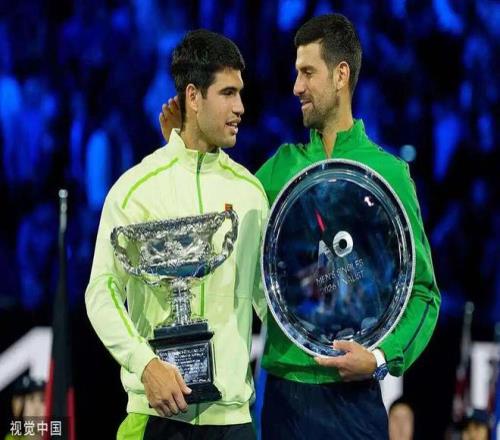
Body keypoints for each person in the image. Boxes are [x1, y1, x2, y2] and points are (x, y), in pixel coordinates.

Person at [160, 14, 440, 440]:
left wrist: (380, 357)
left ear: (341, 75)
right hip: (285, 398)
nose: (296, 87)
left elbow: (423, 293)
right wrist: (182, 150)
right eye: (296, 73)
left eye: (308, 72)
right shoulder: (280, 170)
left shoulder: (389, 175)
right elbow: (210, 225)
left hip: (355, 401)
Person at [85, 29, 268, 440]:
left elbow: (267, 300)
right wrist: (145, 364)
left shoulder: (250, 193)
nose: (240, 107)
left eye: (240, 93)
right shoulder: (136, 189)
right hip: (154, 414)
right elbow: (101, 292)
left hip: (232, 422)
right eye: (227, 93)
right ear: (193, 96)